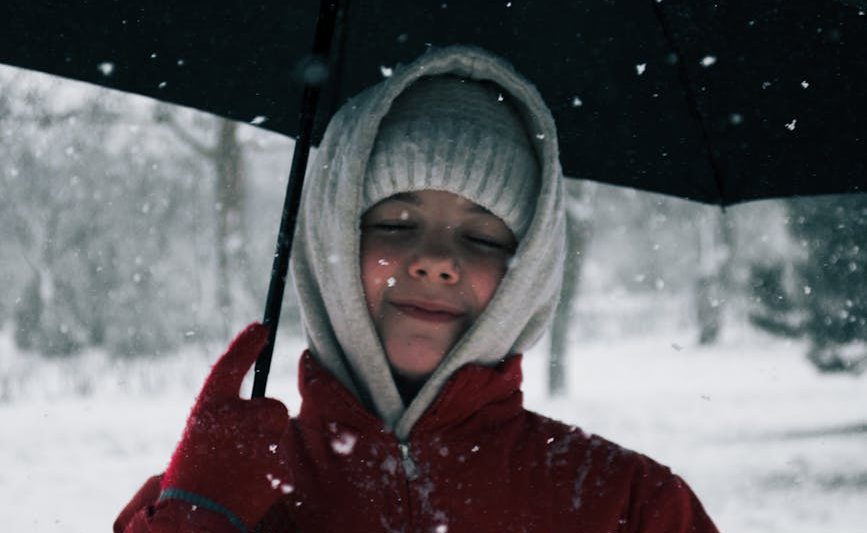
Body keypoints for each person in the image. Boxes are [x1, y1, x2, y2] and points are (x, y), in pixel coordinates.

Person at [115, 46, 719, 532]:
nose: (435, 261)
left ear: (528, 269)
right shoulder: (212, 498)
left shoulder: (629, 506)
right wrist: (194, 519)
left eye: (483, 237)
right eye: (396, 225)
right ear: (332, 242)